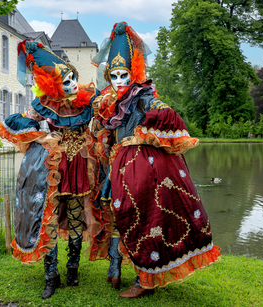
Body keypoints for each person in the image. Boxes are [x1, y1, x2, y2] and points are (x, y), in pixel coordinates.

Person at [91, 22, 221, 298]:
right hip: (117, 165)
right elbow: (103, 130)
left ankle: (144, 280)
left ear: (134, 72)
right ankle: (114, 271)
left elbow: (164, 111)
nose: (119, 81)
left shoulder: (143, 96)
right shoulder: (106, 101)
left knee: (142, 219)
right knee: (117, 215)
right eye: (113, 75)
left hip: (140, 166)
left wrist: (154, 118)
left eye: (123, 74)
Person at [0, 39, 107, 299]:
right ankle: (50, 275)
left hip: (81, 167)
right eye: (65, 82)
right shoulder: (43, 105)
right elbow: (16, 122)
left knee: (77, 220)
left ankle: (73, 269)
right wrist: (40, 137)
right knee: (51, 221)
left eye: (72, 79)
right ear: (54, 85)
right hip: (52, 171)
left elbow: (105, 117)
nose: (72, 85)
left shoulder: (87, 101)